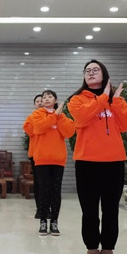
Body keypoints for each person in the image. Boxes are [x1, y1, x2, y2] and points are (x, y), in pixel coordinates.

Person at [67, 60, 127, 254]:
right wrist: (103, 98)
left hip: (113, 162)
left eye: (95, 70)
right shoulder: (77, 100)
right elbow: (81, 118)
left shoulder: (116, 100)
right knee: (89, 210)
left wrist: (116, 101)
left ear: (104, 74)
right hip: (87, 162)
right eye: (87, 71)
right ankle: (91, 249)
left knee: (111, 210)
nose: (90, 73)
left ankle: (107, 250)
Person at [29, 89, 75, 236]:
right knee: (44, 190)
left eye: (50, 96)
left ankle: (54, 222)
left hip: (58, 159)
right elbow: (39, 128)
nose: (46, 99)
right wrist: (54, 116)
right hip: (42, 158)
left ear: (55, 101)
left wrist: (59, 116)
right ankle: (43, 221)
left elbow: (69, 132)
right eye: (44, 97)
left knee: (56, 191)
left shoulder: (62, 117)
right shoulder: (37, 114)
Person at [22, 94, 43, 218]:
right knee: (38, 182)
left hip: (49, 154)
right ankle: (39, 208)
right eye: (37, 101)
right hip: (35, 153)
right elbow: (31, 131)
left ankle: (48, 207)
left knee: (48, 183)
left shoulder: (53, 116)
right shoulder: (31, 118)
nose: (40, 103)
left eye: (41, 101)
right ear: (34, 105)